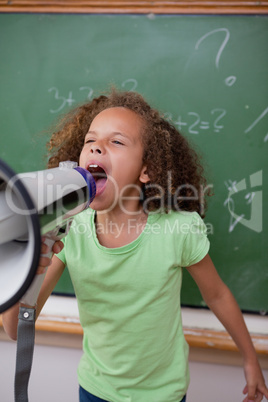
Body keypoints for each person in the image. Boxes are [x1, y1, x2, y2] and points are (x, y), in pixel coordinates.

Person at [3, 90, 268, 402]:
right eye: (90, 141)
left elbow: (218, 294)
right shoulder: (69, 229)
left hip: (164, 394)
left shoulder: (178, 229)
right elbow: (14, 330)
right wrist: (32, 266)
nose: (97, 147)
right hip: (95, 390)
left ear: (147, 170)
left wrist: (251, 359)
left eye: (116, 141)